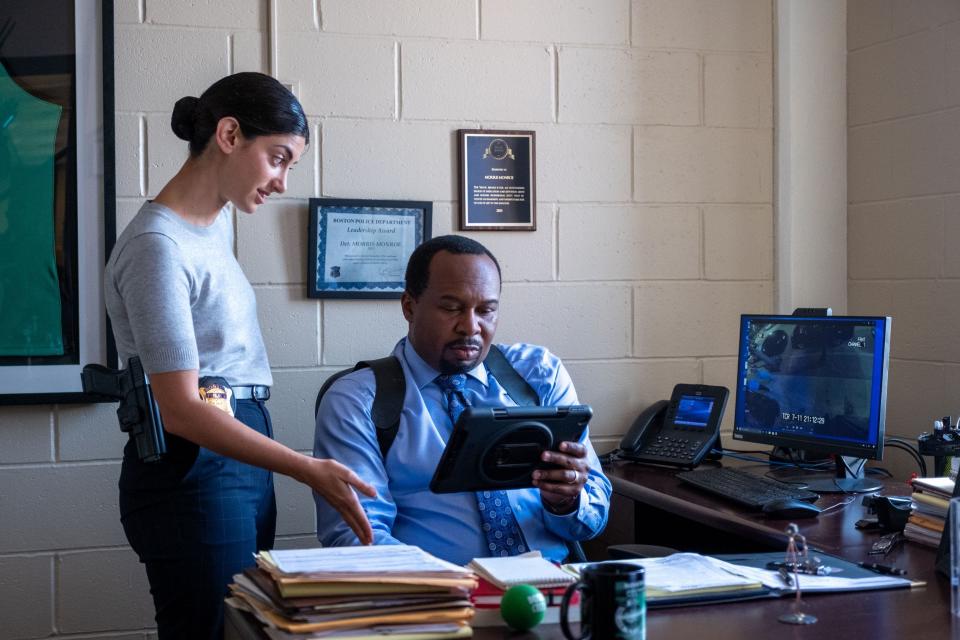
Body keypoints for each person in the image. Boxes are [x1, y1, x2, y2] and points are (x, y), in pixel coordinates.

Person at [104, 72, 375, 640]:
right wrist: (306, 469)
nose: (280, 182)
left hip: (239, 445)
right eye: (277, 158)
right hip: (194, 459)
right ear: (229, 135)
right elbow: (178, 408)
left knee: (247, 630)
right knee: (210, 632)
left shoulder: (215, 223)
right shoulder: (158, 247)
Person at [313, 235, 611, 566]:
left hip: (550, 586)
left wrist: (565, 502)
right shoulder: (358, 400)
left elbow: (593, 520)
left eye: (486, 310)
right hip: (435, 598)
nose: (470, 327)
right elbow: (358, 535)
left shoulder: (540, 374)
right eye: (451, 308)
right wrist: (449, 586)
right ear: (409, 306)